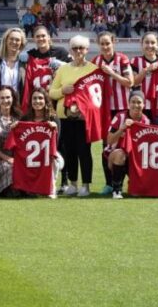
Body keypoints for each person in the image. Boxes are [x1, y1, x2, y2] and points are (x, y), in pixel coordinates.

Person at [49, 35, 98, 197]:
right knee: (69, 151)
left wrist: (86, 109)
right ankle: (73, 183)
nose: (78, 51)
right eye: (75, 48)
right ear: (70, 50)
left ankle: (86, 185)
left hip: (84, 118)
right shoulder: (63, 69)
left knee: (84, 151)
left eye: (81, 48)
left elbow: (97, 94)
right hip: (65, 117)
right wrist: (63, 91)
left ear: (87, 50)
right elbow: (52, 92)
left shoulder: (93, 69)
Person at [91, 32, 134, 195]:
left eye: (107, 43)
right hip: (105, 110)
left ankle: (128, 181)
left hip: (122, 109)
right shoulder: (95, 61)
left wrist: (112, 73)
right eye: (102, 44)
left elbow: (130, 82)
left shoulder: (122, 59)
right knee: (106, 145)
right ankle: (109, 183)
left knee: (125, 145)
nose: (105, 46)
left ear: (113, 42)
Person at [103, 91, 150, 199]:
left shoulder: (146, 121)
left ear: (144, 104)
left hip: (133, 157)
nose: (136, 105)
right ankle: (116, 190)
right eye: (133, 102)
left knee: (137, 193)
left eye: (139, 102)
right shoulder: (120, 117)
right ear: (128, 103)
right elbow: (109, 141)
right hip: (113, 154)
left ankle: (134, 184)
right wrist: (121, 129)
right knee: (121, 154)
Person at [130, 32, 158, 114]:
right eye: (146, 42)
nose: (149, 45)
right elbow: (134, 83)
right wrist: (146, 70)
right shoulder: (135, 61)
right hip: (141, 105)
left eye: (153, 43)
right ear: (142, 44)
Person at [0, 28, 26, 92]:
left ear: (21, 43)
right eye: (11, 39)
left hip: (18, 98)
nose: (14, 42)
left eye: (17, 40)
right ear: (6, 41)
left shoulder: (24, 64)